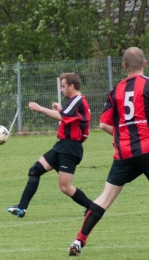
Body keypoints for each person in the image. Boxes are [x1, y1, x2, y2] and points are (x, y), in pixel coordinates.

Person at [68, 47, 149, 256]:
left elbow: (103, 124)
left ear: (123, 66)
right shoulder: (147, 85)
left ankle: (79, 240)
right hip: (147, 149)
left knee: (104, 198)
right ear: (145, 64)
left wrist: (123, 135)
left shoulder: (116, 91)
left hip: (124, 154)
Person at [6, 72, 92, 218]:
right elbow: (68, 117)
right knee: (35, 170)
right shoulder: (74, 100)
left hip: (70, 148)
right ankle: (21, 208)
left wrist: (40, 108)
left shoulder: (78, 99)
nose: (62, 89)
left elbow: (63, 117)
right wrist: (59, 109)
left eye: (63, 86)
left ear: (72, 86)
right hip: (62, 145)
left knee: (65, 187)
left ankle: (92, 208)